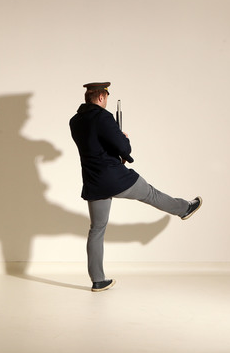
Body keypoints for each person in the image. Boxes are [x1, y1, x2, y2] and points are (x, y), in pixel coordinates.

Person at [69, 82, 202, 292]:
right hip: (115, 177)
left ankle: (98, 280)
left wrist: (115, 148)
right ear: (102, 97)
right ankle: (184, 209)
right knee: (150, 193)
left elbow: (95, 147)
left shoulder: (75, 121)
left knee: (97, 229)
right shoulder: (104, 117)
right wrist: (124, 141)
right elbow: (122, 147)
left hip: (94, 181)